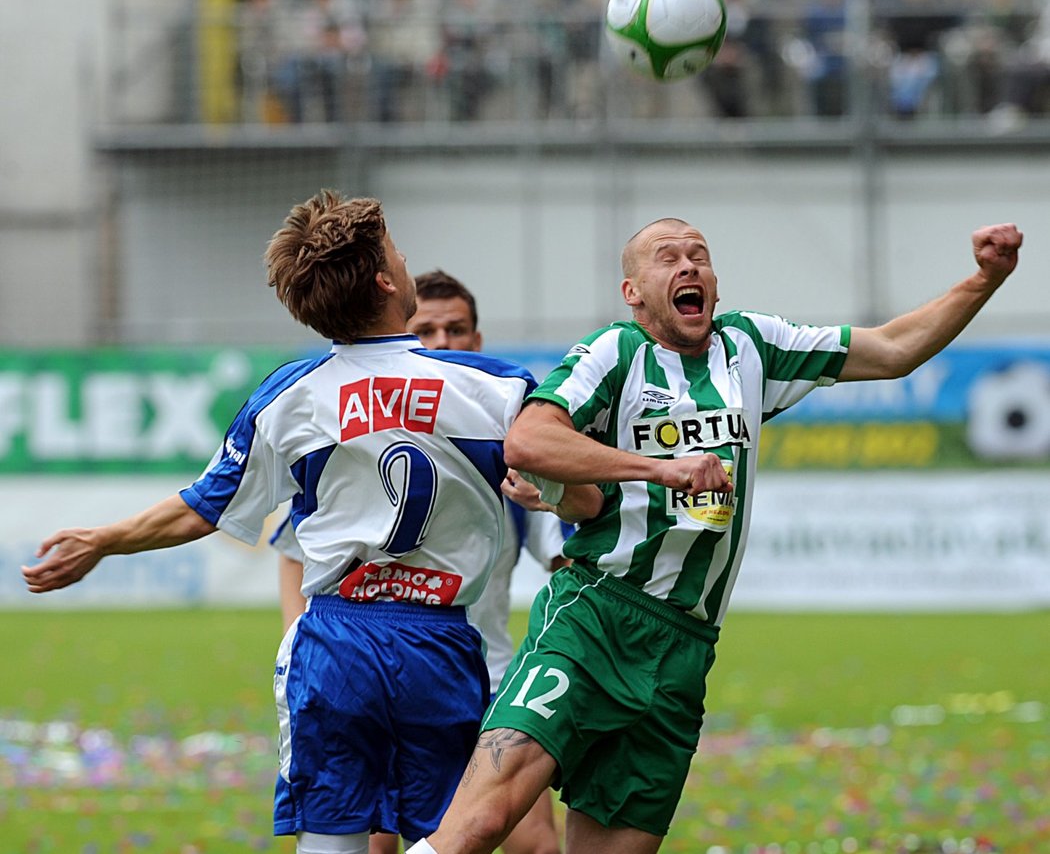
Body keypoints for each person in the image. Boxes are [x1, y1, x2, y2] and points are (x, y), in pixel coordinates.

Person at [405, 218, 1024, 854]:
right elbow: (530, 439)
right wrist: (657, 468)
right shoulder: (614, 353)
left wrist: (985, 280)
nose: (688, 265)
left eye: (698, 255)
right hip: (595, 619)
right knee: (480, 825)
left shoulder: (752, 347)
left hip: (684, 647)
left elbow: (893, 350)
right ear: (634, 292)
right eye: (667, 257)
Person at [21, 190, 579, 854]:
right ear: (384, 278)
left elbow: (203, 506)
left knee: (335, 840)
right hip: (442, 641)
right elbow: (569, 483)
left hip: (337, 637)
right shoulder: (497, 389)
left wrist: (103, 539)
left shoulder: (290, 395)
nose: (405, 258)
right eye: (398, 250)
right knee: (447, 838)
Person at [276, 268, 570, 854]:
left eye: (456, 329)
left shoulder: (506, 449)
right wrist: (298, 635)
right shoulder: (365, 440)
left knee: (533, 839)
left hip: (495, 678)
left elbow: (566, 559)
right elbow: (293, 548)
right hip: (385, 670)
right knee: (383, 841)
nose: (442, 341)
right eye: (427, 329)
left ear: (477, 341)